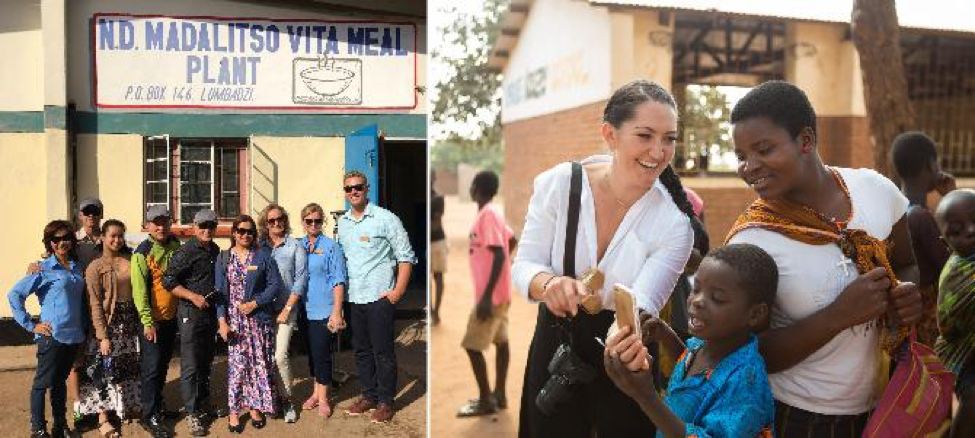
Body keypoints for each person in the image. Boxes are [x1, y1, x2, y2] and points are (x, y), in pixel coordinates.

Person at [725, 80, 924, 436]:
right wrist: (839, 315)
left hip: (886, 402)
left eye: (764, 149)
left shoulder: (875, 189)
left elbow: (907, 261)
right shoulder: (753, 239)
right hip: (802, 416)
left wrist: (907, 292)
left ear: (806, 140)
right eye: (741, 155)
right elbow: (746, 352)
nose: (749, 167)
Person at [512, 80, 705, 437]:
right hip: (558, 338)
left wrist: (622, 338)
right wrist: (549, 284)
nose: (659, 151)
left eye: (669, 139)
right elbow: (524, 266)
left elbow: (644, 302)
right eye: (645, 135)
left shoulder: (675, 226)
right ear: (610, 135)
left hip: (626, 347)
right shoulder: (559, 186)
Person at [605, 243, 776, 437]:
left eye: (717, 298)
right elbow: (696, 373)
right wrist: (666, 336)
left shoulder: (746, 383)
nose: (696, 300)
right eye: (696, 289)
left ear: (755, 314)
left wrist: (645, 396)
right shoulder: (705, 343)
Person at [339, 170, 416, 423]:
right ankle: (369, 395)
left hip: (379, 298)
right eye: (349, 188)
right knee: (361, 350)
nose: (354, 192)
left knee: (383, 352)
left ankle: (385, 401)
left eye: (358, 187)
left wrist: (397, 293)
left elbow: (406, 256)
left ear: (367, 188)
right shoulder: (344, 223)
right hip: (355, 297)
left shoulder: (386, 219)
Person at [9, 220, 86, 438]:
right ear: (50, 243)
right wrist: (31, 324)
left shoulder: (76, 267)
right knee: (42, 385)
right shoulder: (42, 269)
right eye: (57, 239)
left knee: (59, 383)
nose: (62, 242)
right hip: (52, 336)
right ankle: (38, 429)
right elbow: (14, 295)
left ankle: (60, 426)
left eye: (66, 238)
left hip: (73, 336)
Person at [214, 215, 283, 433]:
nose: (246, 235)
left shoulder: (262, 256)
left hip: (258, 321)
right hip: (235, 323)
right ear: (234, 233)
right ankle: (234, 410)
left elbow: (275, 285)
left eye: (250, 232)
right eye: (241, 231)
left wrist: (256, 303)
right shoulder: (224, 258)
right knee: (238, 367)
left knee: (258, 364)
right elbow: (219, 294)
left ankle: (254, 406)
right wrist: (222, 322)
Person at [457, 170, 517, 417]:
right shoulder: (490, 214)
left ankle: (486, 399)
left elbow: (501, 252)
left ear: (476, 189)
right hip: (501, 294)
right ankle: (499, 394)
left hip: (490, 298)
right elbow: (511, 240)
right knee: (501, 341)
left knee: (472, 346)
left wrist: (484, 297)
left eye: (471, 185)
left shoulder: (488, 215)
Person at [891, 131, 955, 346]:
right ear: (930, 165)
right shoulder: (920, 216)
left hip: (903, 320)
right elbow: (953, 267)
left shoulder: (894, 210)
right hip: (926, 325)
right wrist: (953, 197)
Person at [77, 220, 140, 437]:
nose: (116, 239)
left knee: (124, 367)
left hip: (130, 322)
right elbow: (94, 303)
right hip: (108, 323)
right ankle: (102, 417)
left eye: (120, 235)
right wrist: (102, 335)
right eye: (112, 235)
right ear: (102, 237)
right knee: (101, 370)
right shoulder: (95, 267)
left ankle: (121, 408)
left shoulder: (131, 260)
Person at [163, 209, 221, 436]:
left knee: (206, 361)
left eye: (211, 226)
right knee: (190, 365)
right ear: (194, 227)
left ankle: (204, 403)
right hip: (190, 313)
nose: (207, 230)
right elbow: (169, 281)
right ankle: (192, 412)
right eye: (202, 226)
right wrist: (192, 296)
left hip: (209, 313)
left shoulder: (214, 249)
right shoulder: (185, 251)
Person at [132, 205, 181, 438]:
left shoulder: (174, 244)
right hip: (152, 321)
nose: (161, 226)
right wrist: (147, 322)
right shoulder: (142, 252)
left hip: (171, 317)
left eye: (164, 221)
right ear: (148, 226)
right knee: (151, 369)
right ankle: (148, 414)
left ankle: (157, 407)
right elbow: (139, 292)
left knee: (162, 366)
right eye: (156, 222)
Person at [257, 204, 308, 423]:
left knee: (279, 356)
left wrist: (288, 308)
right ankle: (269, 399)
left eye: (280, 219)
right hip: (262, 311)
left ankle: (287, 400)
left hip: (286, 309)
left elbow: (300, 281)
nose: (277, 223)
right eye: (271, 220)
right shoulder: (259, 247)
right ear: (265, 224)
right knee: (263, 358)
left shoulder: (295, 247)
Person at [932, 189, 975, 438]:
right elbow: (949, 326)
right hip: (963, 353)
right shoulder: (956, 271)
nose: (970, 230)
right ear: (945, 242)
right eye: (957, 231)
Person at [298, 203, 348, 417]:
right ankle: (315, 393)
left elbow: (338, 280)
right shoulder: (298, 245)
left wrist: (337, 311)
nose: (313, 224)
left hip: (323, 310)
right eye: (309, 221)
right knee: (311, 355)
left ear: (323, 222)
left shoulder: (330, 246)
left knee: (322, 355)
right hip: (302, 310)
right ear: (303, 223)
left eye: (317, 220)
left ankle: (325, 398)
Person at [431, 171, 447, 326]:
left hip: (437, 242)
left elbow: (435, 225)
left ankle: (437, 312)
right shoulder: (435, 200)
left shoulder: (438, 199)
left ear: (434, 178)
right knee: (430, 280)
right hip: (431, 242)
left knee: (438, 277)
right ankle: (430, 311)